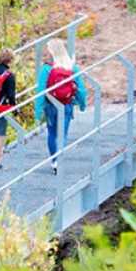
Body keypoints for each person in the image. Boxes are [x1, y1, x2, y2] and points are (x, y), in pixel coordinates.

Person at [35, 39, 87, 175]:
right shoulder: (72, 68)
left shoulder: (46, 69)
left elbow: (40, 92)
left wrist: (38, 111)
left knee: (52, 133)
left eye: (46, 53)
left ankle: (54, 161)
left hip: (50, 105)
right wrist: (82, 104)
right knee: (62, 134)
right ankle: (59, 160)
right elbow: (81, 90)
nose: (45, 56)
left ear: (51, 54)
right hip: (66, 105)